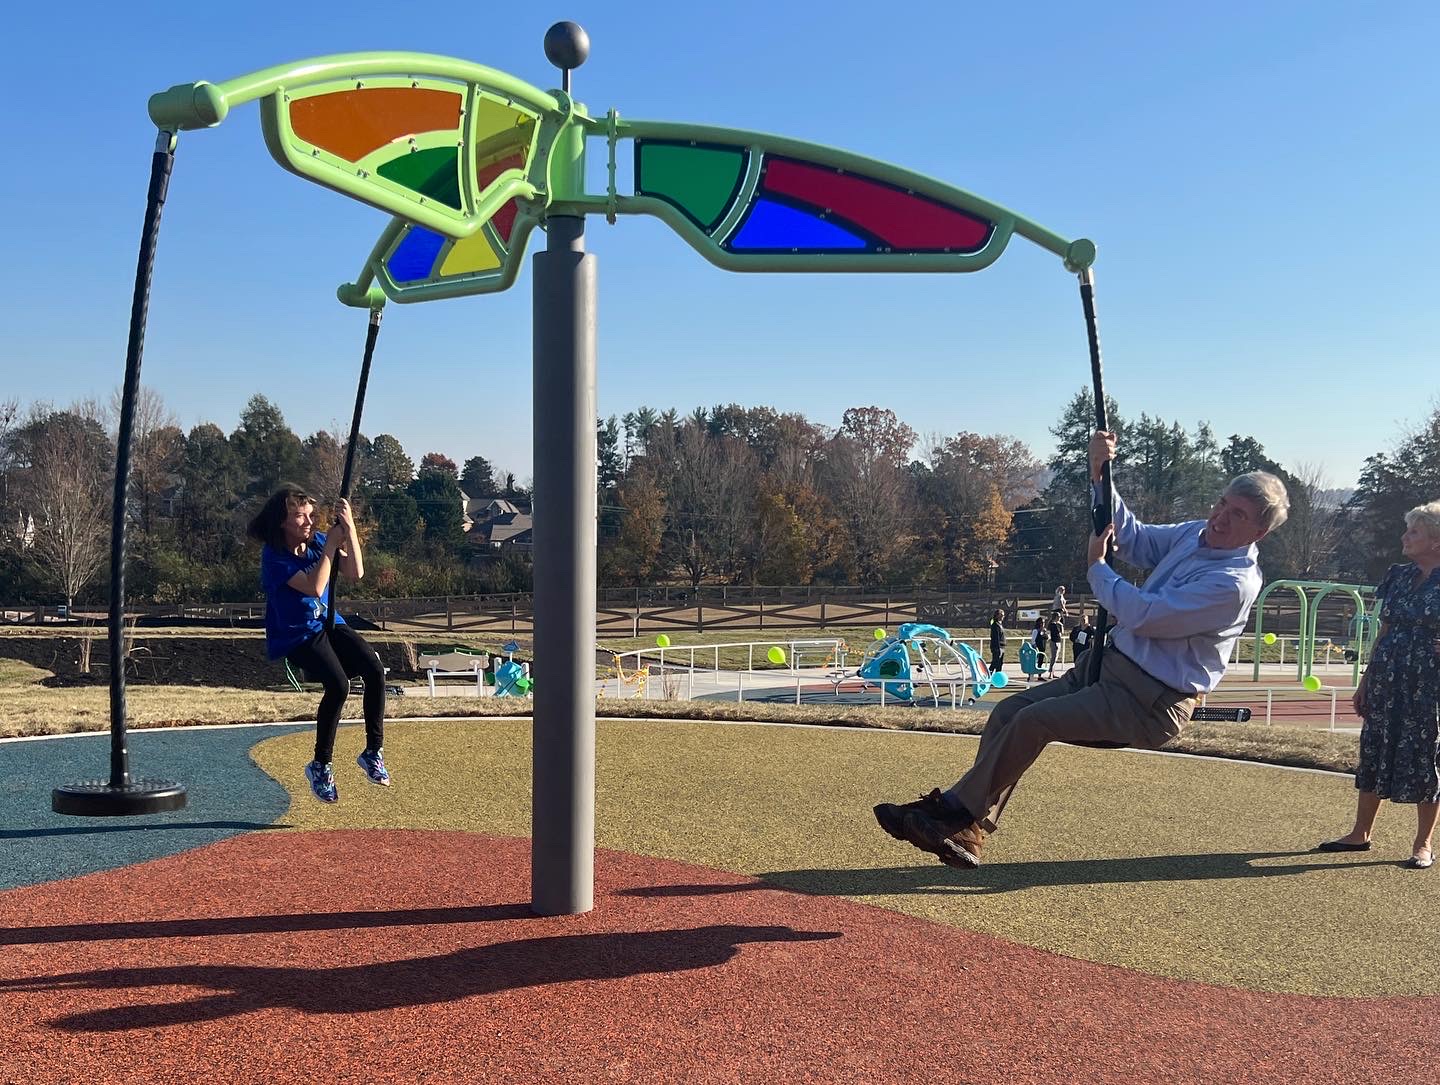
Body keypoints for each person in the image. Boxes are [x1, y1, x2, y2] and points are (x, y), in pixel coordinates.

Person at [873, 429, 1289, 868]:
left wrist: (1097, 566)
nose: (1221, 516)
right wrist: (1100, 472)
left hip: (1149, 700)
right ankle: (966, 830)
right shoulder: (1195, 535)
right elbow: (1134, 538)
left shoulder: (1233, 583)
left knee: (1034, 721)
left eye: (1238, 514)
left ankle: (953, 816)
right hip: (1108, 669)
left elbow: (1143, 614)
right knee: (1008, 713)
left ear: (1258, 531)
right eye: (1222, 502)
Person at [247, 484, 391, 804]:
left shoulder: (318, 543)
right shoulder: (275, 557)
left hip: (328, 624)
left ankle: (372, 751)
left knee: (374, 669)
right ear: (281, 522)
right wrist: (330, 549)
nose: (309, 522)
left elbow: (355, 571)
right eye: (300, 517)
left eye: (311, 516)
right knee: (338, 685)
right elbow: (314, 587)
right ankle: (321, 764)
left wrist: (349, 530)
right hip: (297, 634)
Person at [1317, 501, 1440, 870]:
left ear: (1436, 539)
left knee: (1426, 756)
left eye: (1414, 531)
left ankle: (1423, 843)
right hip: (1387, 676)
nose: (1405, 536)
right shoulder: (1398, 575)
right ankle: (1360, 833)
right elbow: (1384, 629)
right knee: (1375, 747)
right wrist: (1365, 681)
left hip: (1429, 681)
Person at [1030, 617, 1048, 685]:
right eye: (1042, 622)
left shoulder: (1043, 630)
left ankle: (1039, 676)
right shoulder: (1035, 630)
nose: (1043, 624)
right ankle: (1030, 676)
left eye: (1044, 622)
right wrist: (1036, 648)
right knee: (1034, 662)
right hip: (1037, 649)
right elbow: (1033, 641)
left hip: (1043, 648)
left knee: (1040, 662)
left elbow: (1046, 638)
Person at [1046, 611, 1063, 678]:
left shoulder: (1057, 624)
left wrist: (1060, 625)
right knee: (1053, 658)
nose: (1060, 618)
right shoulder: (1053, 625)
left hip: (1058, 641)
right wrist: (1061, 625)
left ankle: (1053, 672)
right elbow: (1059, 633)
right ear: (1056, 617)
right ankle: (1050, 673)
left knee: (1055, 658)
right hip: (1054, 642)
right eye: (1059, 617)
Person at [988, 610, 1006, 674]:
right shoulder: (995, 625)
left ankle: (997, 678)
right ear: (998, 615)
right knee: (995, 662)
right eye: (1002, 615)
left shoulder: (1000, 624)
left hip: (1002, 647)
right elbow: (996, 638)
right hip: (997, 647)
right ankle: (988, 676)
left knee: (1000, 664)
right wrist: (998, 648)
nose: (1003, 616)